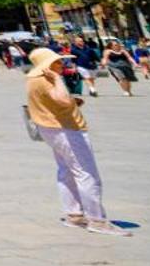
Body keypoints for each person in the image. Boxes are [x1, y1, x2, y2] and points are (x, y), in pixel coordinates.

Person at [25, 47, 126, 235]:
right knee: (85, 172)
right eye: (57, 61)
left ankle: (74, 215)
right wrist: (57, 79)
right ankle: (97, 220)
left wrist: (72, 100)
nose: (61, 64)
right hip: (65, 129)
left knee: (67, 171)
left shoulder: (32, 78)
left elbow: (53, 100)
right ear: (47, 63)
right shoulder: (47, 78)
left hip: (48, 127)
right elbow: (62, 101)